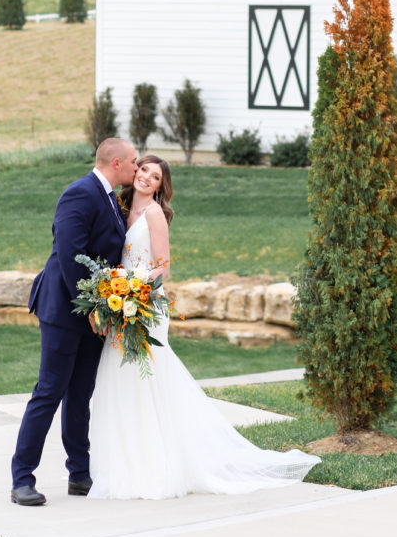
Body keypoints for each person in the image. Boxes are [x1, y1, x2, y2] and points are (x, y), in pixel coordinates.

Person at [87, 154, 321, 499]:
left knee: (146, 381)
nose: (147, 178)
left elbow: (163, 268)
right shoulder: (122, 210)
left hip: (144, 306)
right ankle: (124, 463)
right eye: (145, 171)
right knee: (122, 382)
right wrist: (114, 298)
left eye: (155, 177)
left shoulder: (153, 214)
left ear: (160, 186)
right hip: (120, 305)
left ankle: (155, 467)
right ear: (134, 172)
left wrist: (135, 295)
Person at [10, 137, 138, 505]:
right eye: (132, 162)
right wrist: (92, 308)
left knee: (81, 395)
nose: (136, 167)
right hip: (64, 310)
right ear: (116, 163)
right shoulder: (79, 194)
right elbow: (71, 257)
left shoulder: (112, 198)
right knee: (49, 391)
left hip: (94, 314)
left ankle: (79, 475)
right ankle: (22, 479)